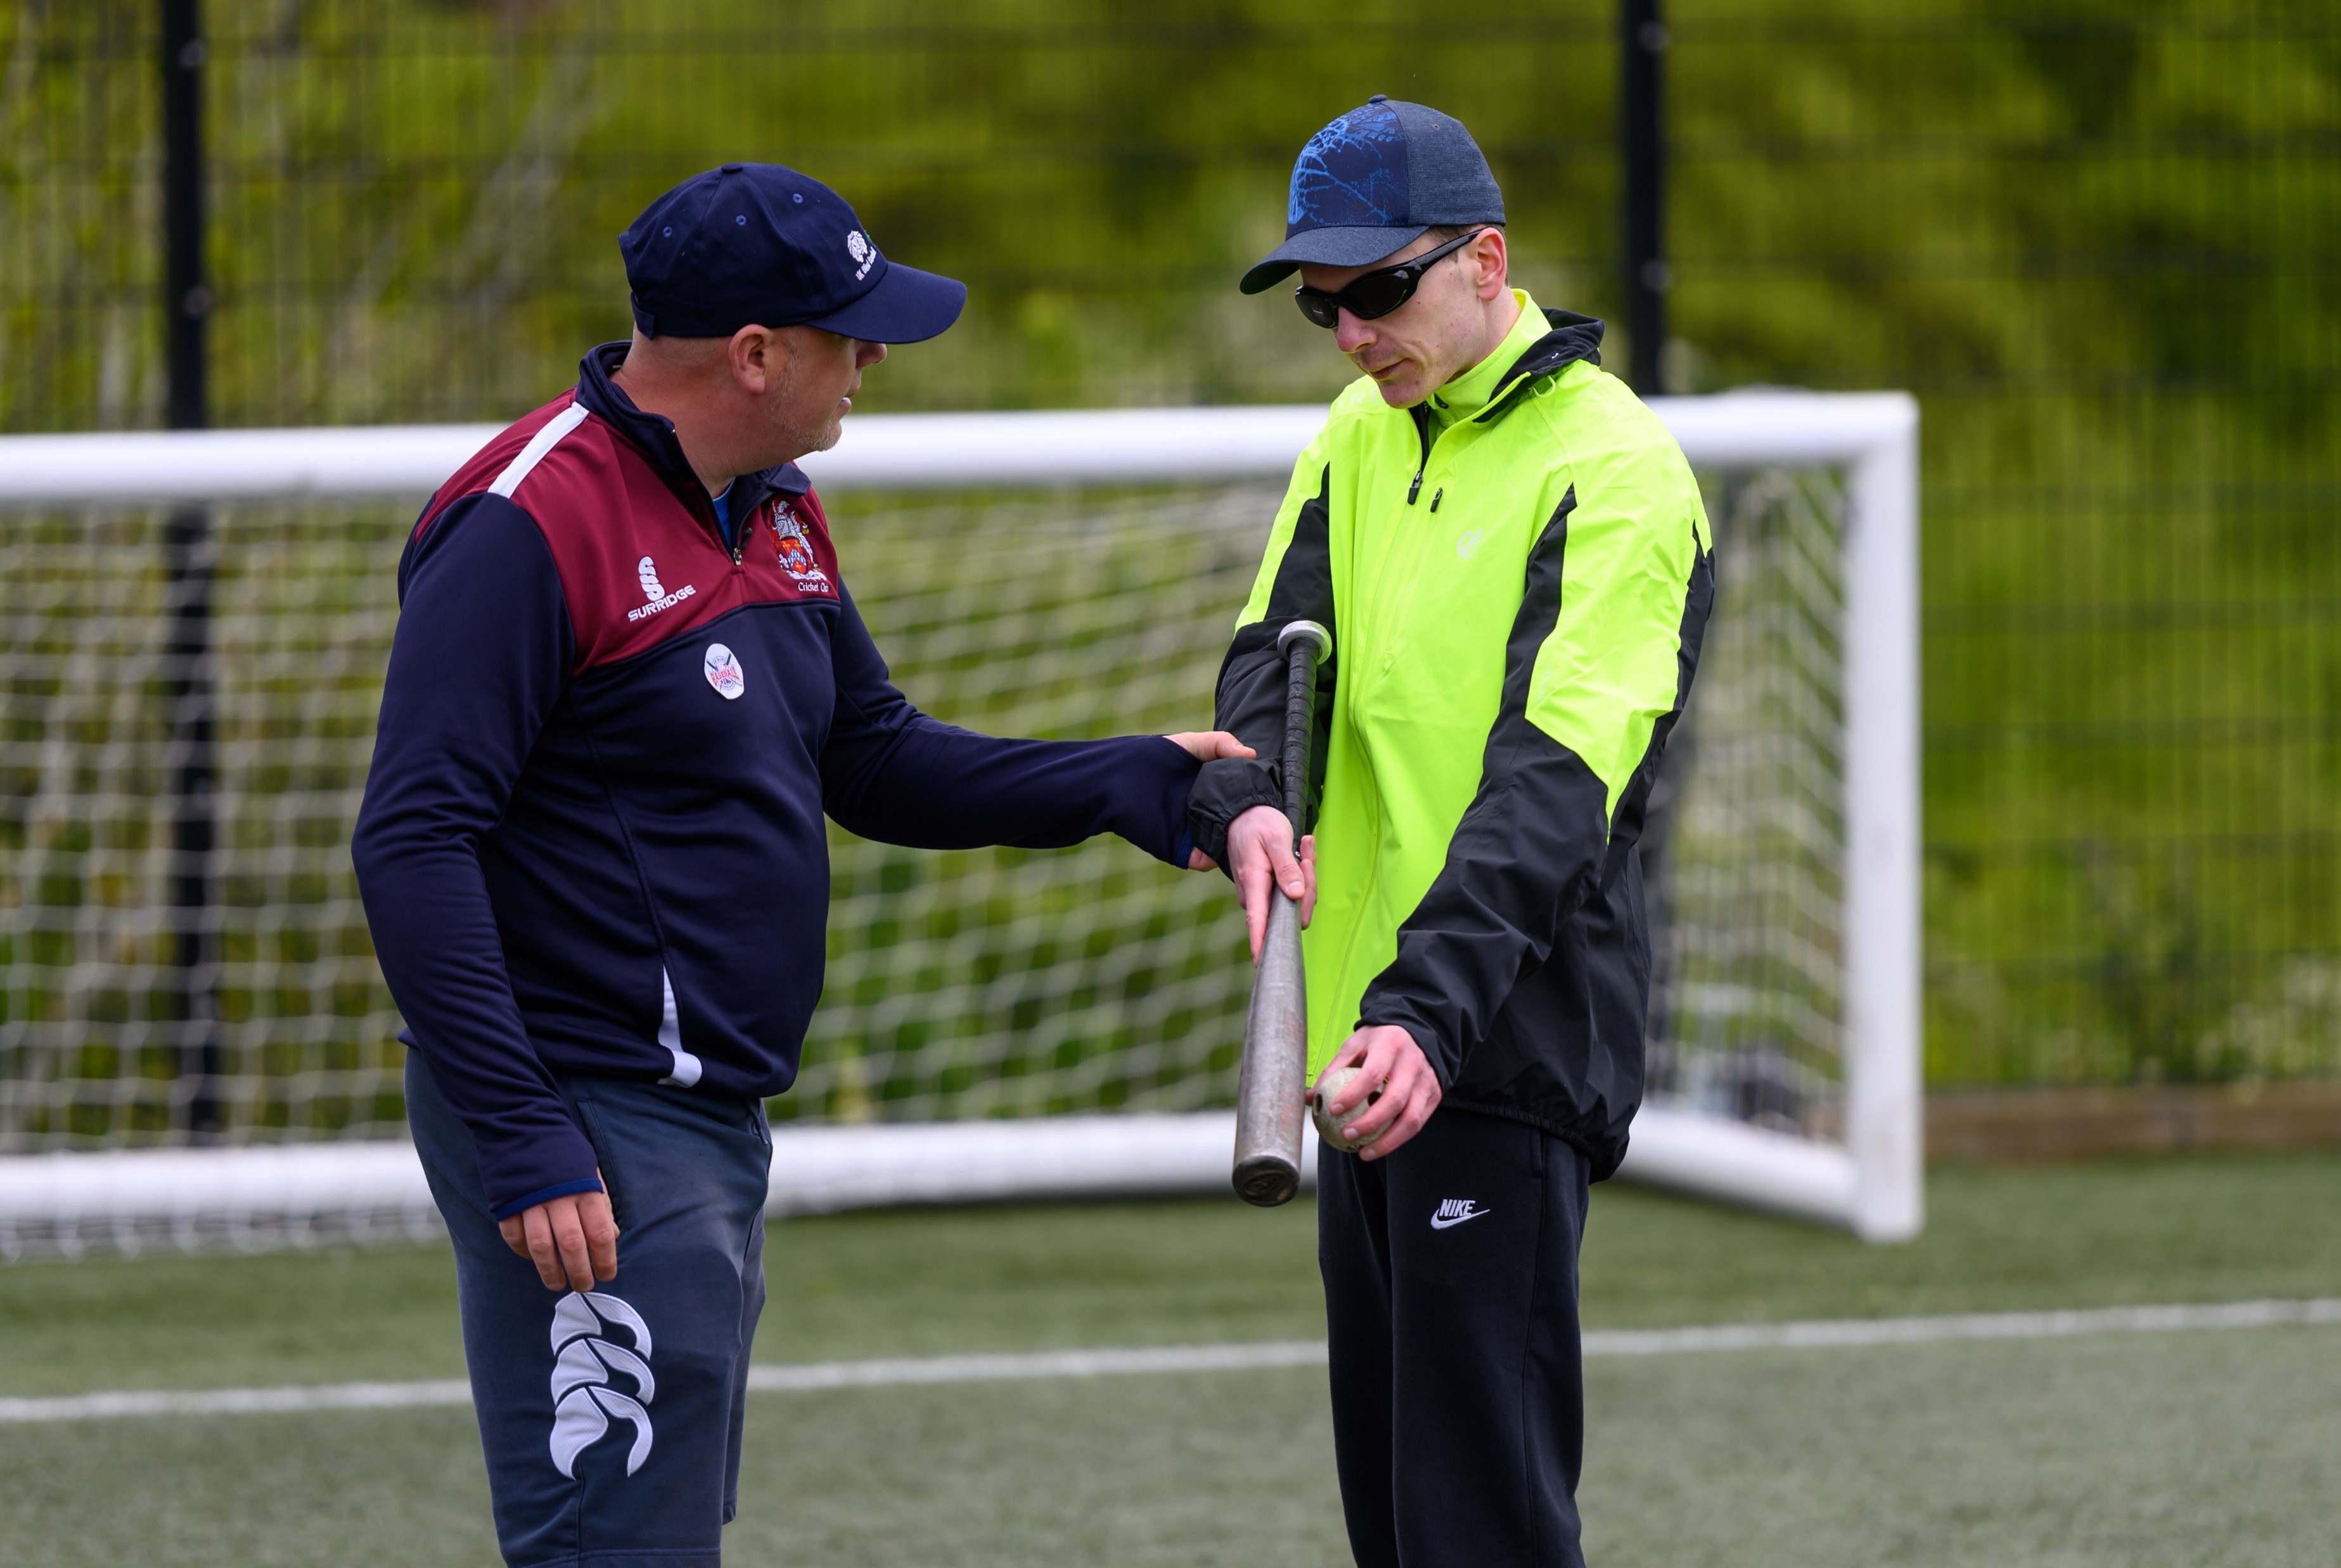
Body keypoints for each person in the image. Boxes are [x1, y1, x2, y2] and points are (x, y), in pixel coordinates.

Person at [351, 162, 1250, 1567]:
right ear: (756, 354)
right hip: (589, 1112)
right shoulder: (526, 522)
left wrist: (1135, 776)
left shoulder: (767, 499)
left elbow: (871, 756)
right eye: (850, 331)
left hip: (706, 1119)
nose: (874, 356)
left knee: (652, 1533)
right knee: (612, 1545)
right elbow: (412, 835)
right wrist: (527, 1135)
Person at [1185, 99, 1716, 1567]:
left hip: (1493, 1038)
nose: (1349, 331)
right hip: (1363, 1044)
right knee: (1399, 1525)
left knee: (1478, 1526)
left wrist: (1425, 1006)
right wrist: (1248, 796)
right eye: (1318, 303)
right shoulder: (1358, 433)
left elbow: (1556, 776)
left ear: (1484, 260)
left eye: (1376, 290)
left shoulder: (1614, 471)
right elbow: (1274, 652)